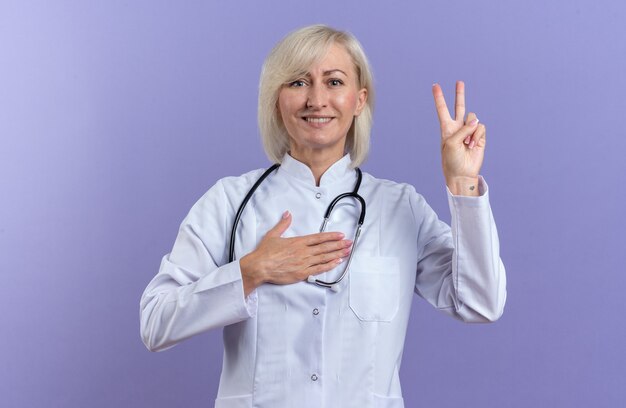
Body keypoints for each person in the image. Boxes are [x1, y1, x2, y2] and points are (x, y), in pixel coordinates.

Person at [140, 24, 506, 408]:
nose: (316, 99)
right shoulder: (229, 202)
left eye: (334, 82)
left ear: (359, 99)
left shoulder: (399, 207)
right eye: (298, 83)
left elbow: (480, 302)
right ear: (276, 100)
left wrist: (463, 181)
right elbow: (155, 322)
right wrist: (250, 272)